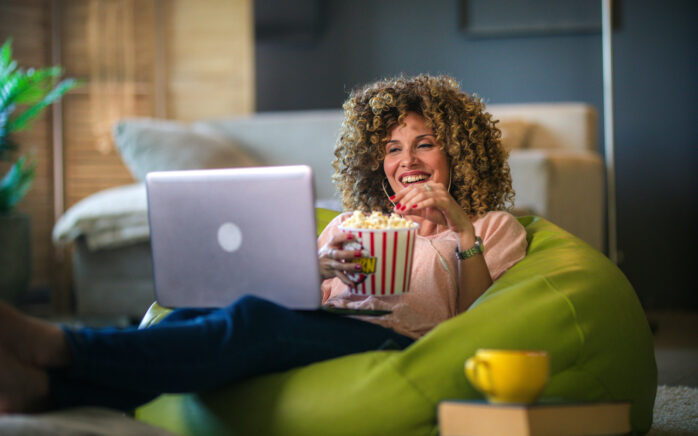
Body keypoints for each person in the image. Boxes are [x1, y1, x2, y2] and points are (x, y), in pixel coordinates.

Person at [0, 74, 527, 414]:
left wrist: (461, 230)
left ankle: (60, 346)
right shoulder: (352, 221)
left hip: (401, 342)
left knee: (253, 320)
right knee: (190, 319)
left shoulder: (491, 226)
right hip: (326, 326)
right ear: (378, 164)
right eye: (392, 149)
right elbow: (299, 300)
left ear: (457, 152)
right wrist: (316, 267)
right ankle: (47, 390)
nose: (406, 160)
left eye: (425, 144)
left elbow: (478, 318)